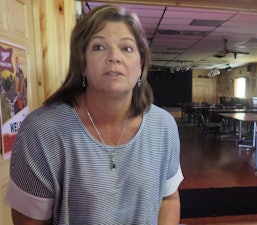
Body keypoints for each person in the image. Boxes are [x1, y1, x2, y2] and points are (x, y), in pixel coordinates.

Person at [4, 4, 183, 225]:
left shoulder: (163, 125)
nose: (114, 57)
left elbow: (169, 198)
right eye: (99, 47)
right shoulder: (42, 130)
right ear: (82, 64)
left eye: (126, 48)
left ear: (141, 65)